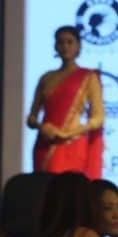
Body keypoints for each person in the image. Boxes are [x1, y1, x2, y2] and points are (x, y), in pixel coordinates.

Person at [26, 26, 104, 178]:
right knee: (43, 187)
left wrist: (67, 133)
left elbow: (98, 117)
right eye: (60, 42)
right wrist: (42, 127)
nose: (65, 46)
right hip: (44, 143)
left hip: (72, 145)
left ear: (78, 46)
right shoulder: (46, 78)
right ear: (55, 46)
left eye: (70, 42)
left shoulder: (88, 77)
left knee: (68, 188)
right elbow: (31, 118)